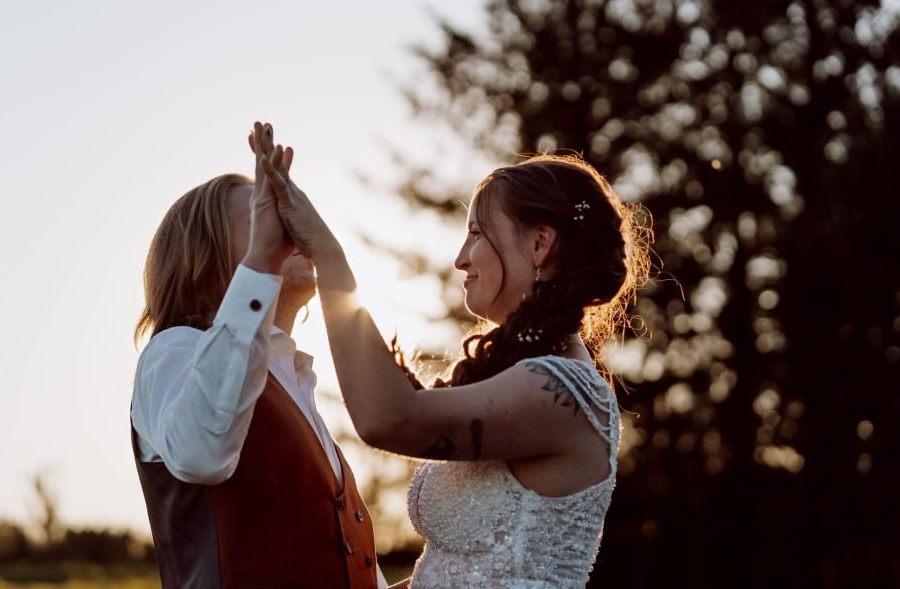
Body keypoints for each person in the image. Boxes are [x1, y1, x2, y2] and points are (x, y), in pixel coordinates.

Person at [255, 132, 651, 588]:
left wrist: (329, 256)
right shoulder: (522, 378)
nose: (461, 259)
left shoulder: (561, 390)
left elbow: (389, 418)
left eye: (477, 234)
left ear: (540, 243)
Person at [130, 123, 389, 588]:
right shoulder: (174, 350)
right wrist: (265, 259)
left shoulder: (295, 379)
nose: (288, 226)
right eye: (264, 213)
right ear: (205, 253)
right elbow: (202, 454)